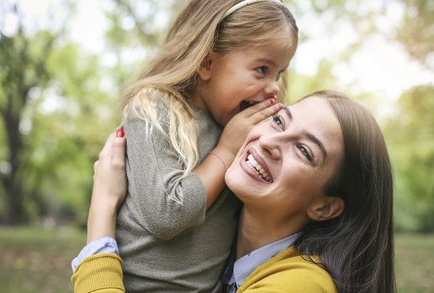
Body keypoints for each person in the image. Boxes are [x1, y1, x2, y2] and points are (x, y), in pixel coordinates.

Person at [72, 0, 298, 292]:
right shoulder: (155, 108)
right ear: (207, 63)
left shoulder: (242, 130)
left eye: (278, 73)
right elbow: (167, 214)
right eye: (261, 69)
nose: (274, 87)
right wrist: (226, 151)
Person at [72, 90, 396, 293]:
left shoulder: (302, 285)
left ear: (325, 207)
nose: (268, 141)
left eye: (304, 151)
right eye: (280, 122)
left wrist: (101, 214)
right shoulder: (225, 260)